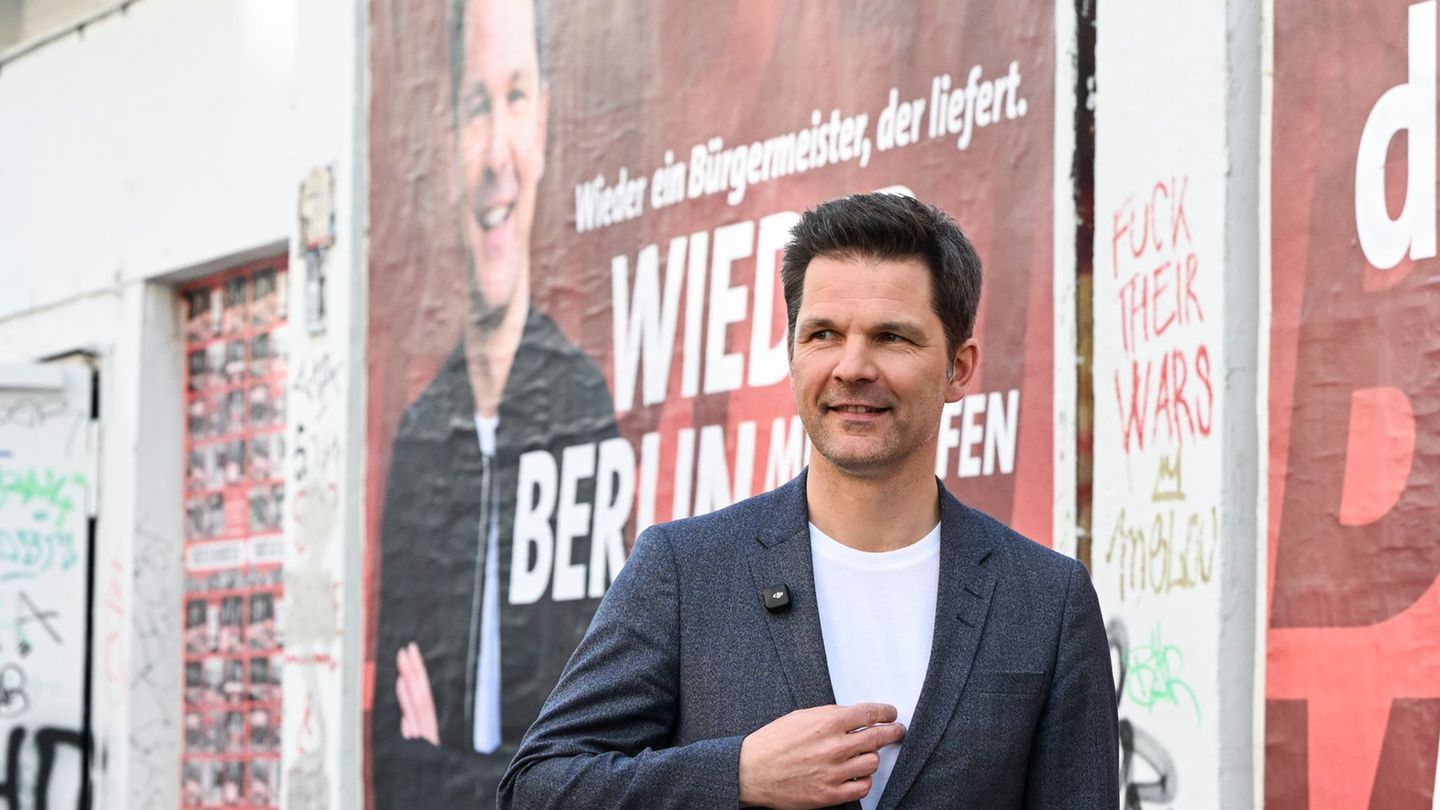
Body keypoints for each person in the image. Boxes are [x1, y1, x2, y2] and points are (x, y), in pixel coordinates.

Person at [499, 193, 1118, 809]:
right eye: (823, 334)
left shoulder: (1046, 599)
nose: (852, 367)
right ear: (792, 355)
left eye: (891, 338)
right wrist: (737, 774)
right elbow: (537, 788)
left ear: (959, 368)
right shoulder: (685, 569)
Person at [369, 0, 619, 805]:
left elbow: (596, 761)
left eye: (516, 97)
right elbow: (395, 768)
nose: (498, 155)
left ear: (545, 123)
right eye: (478, 106)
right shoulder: (417, 442)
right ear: (447, 139)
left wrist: (452, 775)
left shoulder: (585, 400)